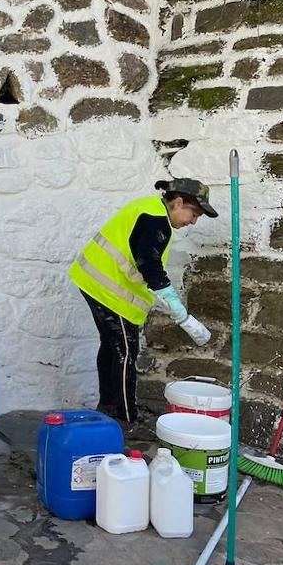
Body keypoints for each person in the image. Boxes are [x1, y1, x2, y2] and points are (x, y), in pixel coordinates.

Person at [69, 178, 216, 424]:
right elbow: (150, 265)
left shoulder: (151, 209)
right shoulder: (155, 219)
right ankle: (125, 419)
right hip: (108, 290)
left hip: (95, 282)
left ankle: (108, 407)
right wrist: (179, 312)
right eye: (194, 213)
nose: (193, 221)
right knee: (125, 352)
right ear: (178, 202)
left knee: (112, 347)